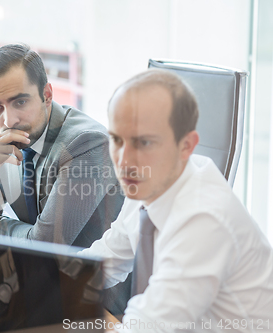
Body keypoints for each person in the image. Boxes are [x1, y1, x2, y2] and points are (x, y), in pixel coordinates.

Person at [80, 69, 273, 331]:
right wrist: (41, 285)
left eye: (144, 143)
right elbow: (103, 260)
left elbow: (147, 328)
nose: (123, 162)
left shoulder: (204, 219)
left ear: (186, 146)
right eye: (117, 140)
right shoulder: (150, 183)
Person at [0, 44, 125, 319]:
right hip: (41, 287)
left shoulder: (87, 144)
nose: (8, 119)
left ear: (46, 95)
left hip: (100, 303)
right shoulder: (3, 142)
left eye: (20, 102)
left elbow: (45, 249)